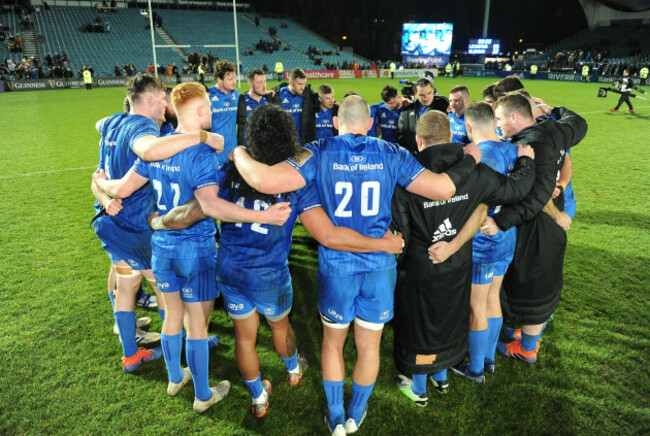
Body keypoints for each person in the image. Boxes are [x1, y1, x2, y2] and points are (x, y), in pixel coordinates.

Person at [230, 95, 482, 435]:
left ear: (336, 122)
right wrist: (470, 156)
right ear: (370, 123)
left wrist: (238, 152)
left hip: (338, 269)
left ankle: (335, 416)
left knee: (333, 343)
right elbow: (441, 189)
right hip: (379, 268)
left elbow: (266, 182)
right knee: (369, 346)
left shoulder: (318, 150)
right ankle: (355, 414)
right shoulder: (392, 152)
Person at [148, 104, 404, 419]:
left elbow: (189, 213)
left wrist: (159, 223)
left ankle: (258, 396)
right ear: (289, 137)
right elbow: (324, 231)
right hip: (270, 273)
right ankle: (293, 367)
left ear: (250, 136)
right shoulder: (294, 182)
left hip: (230, 270)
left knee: (245, 337)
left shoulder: (228, 172)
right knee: (279, 327)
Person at [93, 83, 292, 412]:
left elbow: (124, 188)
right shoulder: (201, 153)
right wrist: (265, 215)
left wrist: (99, 183)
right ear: (199, 111)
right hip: (195, 249)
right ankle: (203, 395)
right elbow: (210, 206)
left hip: (161, 247)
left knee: (172, 314)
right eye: (210, 109)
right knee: (196, 323)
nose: (213, 113)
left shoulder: (157, 146)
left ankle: (175, 377)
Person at [391, 109, 535, 405]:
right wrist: (526, 160)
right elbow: (518, 189)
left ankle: (419, 389)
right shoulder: (475, 171)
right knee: (450, 314)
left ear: (418, 140)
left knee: (421, 321)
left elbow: (401, 228)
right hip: (458, 262)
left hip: (420, 263)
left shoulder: (407, 171)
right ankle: (441, 377)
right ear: (452, 136)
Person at [91, 74, 226, 373]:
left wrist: (100, 191)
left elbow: (98, 163)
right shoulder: (143, 127)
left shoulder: (110, 122)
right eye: (163, 99)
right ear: (150, 100)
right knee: (168, 294)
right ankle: (188, 348)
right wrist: (204, 136)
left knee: (126, 284)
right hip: (138, 226)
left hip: (109, 222)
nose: (166, 105)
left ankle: (130, 355)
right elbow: (150, 151)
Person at [483, 93, 587, 364]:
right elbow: (580, 123)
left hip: (540, 229)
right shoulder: (554, 128)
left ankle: (528, 349)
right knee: (537, 281)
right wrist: (556, 109)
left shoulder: (532, 142)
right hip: (549, 225)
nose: (497, 124)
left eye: (499, 118)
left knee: (536, 287)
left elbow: (538, 196)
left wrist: (501, 221)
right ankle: (525, 332)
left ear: (514, 117)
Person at [450, 101, 520, 383]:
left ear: (468, 127)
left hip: (485, 241)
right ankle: (489, 358)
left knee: (476, 306)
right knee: (493, 297)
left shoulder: (483, 157)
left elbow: (479, 207)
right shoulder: (512, 148)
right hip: (506, 235)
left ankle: (476, 368)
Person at [397, 71, 449, 154]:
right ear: (415, 94)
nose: (426, 98)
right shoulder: (406, 112)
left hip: (436, 157)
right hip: (413, 158)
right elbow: (401, 136)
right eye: (421, 95)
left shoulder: (444, 108)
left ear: (433, 91)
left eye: (429, 93)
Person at [269, 67, 317, 145]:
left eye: (304, 83)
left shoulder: (308, 95)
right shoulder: (277, 95)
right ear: (291, 82)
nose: (303, 87)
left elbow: (323, 100)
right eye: (300, 84)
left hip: (303, 143)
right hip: (283, 143)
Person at [209, 59, 240, 168]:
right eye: (230, 79)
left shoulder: (236, 94)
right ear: (219, 80)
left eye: (234, 77)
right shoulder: (208, 95)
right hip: (214, 157)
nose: (234, 81)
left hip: (232, 155)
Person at [236, 68, 272, 145]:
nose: (264, 86)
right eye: (260, 82)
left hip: (265, 150)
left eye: (264, 82)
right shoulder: (241, 101)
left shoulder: (270, 100)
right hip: (246, 150)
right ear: (250, 85)